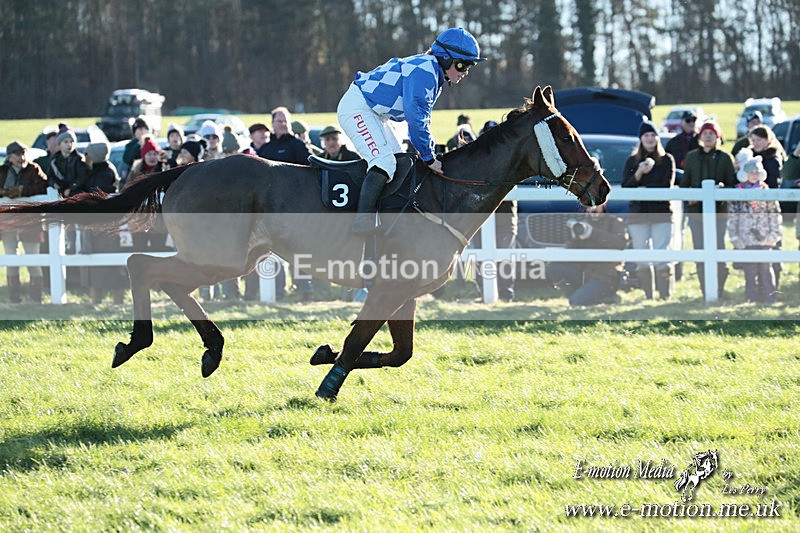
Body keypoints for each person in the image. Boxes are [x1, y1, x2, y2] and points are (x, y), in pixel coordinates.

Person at [337, 27, 486, 234]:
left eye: (468, 66)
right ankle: (362, 221)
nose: (465, 72)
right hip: (358, 107)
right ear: (445, 58)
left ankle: (386, 218)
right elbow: (416, 121)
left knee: (400, 161)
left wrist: (429, 151)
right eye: (463, 65)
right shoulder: (426, 72)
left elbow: (422, 120)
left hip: (376, 113)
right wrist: (428, 157)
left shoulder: (432, 72)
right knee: (384, 162)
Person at [680, 121, 737, 299]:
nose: (708, 137)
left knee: (719, 249)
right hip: (697, 215)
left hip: (719, 214)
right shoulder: (691, 157)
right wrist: (690, 196)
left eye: (711, 133)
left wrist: (720, 189)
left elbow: (732, 185)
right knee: (700, 250)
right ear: (700, 136)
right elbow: (685, 184)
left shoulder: (725, 158)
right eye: (704, 133)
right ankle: (705, 290)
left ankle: (719, 288)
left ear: (717, 136)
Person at [622, 119, 676, 299]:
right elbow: (626, 187)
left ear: (658, 138)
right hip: (638, 214)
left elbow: (666, 185)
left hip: (660, 213)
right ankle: (649, 296)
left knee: (662, 253)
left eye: (653, 135)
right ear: (641, 139)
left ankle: (665, 295)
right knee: (642, 255)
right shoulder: (632, 161)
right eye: (646, 135)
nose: (650, 138)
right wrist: (639, 173)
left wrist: (645, 188)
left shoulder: (667, 160)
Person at [547, 204, 629, 306]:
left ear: (604, 205)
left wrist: (593, 233)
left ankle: (607, 297)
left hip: (605, 276)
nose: (593, 209)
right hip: (584, 273)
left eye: (597, 205)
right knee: (553, 268)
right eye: (590, 206)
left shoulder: (615, 222)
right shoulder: (583, 223)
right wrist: (575, 238)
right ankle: (580, 294)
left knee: (576, 302)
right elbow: (572, 253)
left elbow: (621, 243)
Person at [727, 157, 782, 303]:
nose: (754, 175)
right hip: (746, 236)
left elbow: (775, 213)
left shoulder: (766, 191)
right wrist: (734, 237)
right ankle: (751, 298)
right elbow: (733, 216)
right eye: (751, 172)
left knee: (766, 268)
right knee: (750, 269)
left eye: (757, 172)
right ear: (744, 174)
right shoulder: (737, 193)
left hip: (765, 236)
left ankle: (770, 297)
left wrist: (775, 234)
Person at [0, 141, 48, 303]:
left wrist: (22, 190)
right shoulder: (2, 171)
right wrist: (4, 193)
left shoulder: (34, 169)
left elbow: (43, 187)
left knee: (33, 259)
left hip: (30, 222)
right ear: (10, 157)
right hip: (8, 221)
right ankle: (15, 299)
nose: (21, 157)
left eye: (23, 153)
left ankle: (36, 300)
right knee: (11, 260)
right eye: (17, 154)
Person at [81, 142, 126, 304]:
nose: (84, 157)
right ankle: (96, 300)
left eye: (87, 154)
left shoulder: (105, 172)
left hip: (106, 223)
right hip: (98, 222)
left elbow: (95, 192)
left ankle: (116, 300)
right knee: (95, 264)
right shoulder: (96, 170)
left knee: (112, 266)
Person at [47, 129, 89, 197]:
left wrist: (71, 188)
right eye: (66, 142)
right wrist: (53, 183)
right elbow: (49, 176)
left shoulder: (79, 159)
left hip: (76, 194)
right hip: (58, 194)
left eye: (72, 141)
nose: (69, 144)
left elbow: (82, 177)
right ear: (59, 144)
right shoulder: (54, 160)